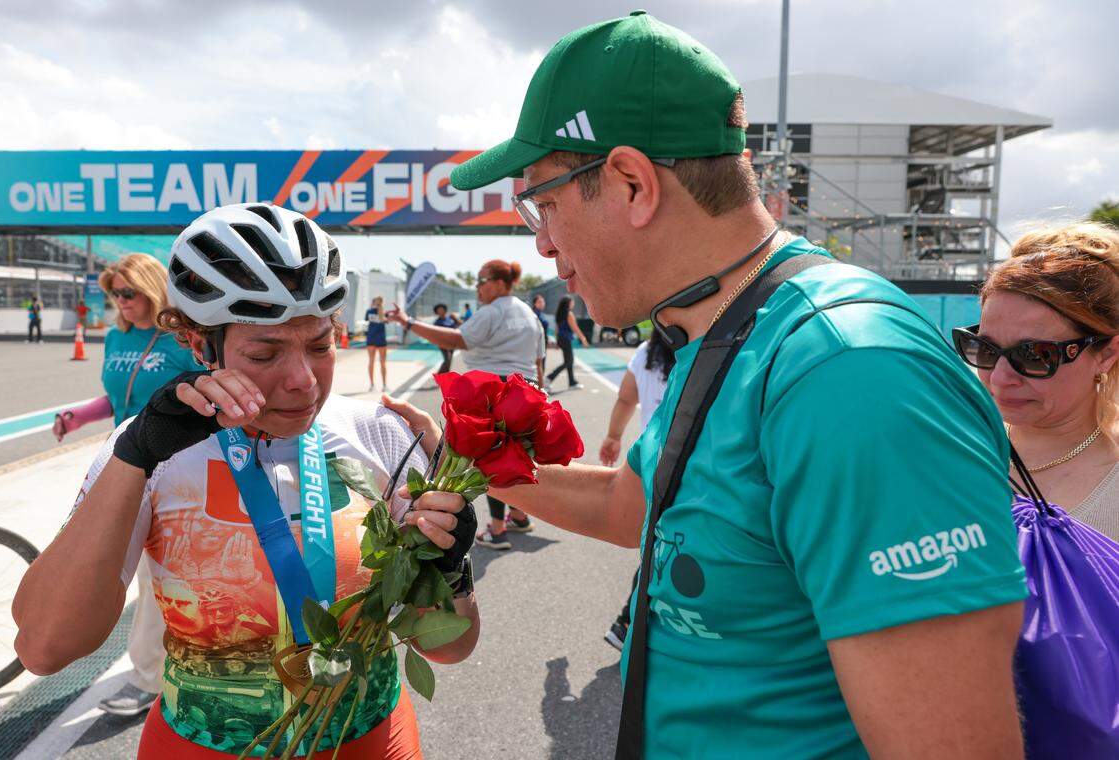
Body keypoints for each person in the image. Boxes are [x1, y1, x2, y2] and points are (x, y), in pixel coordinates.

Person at [431, 11, 1025, 757]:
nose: (540, 240)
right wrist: (461, 454)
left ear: (631, 182)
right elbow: (634, 508)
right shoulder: (724, 327)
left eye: (542, 202)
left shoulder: (849, 373)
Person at [13, 203, 479, 759]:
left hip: (374, 740)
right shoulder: (148, 448)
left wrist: (453, 570)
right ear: (197, 344)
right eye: (264, 352)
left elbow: (453, 648)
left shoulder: (379, 432)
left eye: (320, 345)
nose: (303, 382)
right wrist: (133, 458)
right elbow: (44, 647)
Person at [53, 253, 205, 717]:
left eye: (128, 292)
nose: (120, 302)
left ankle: (149, 679)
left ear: (151, 288)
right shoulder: (118, 336)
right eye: (113, 294)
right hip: (122, 462)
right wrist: (77, 416)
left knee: (153, 576)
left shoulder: (180, 342)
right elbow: (120, 396)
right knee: (104, 564)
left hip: (174, 467)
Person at [955, 222, 1119, 541]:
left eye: (1034, 355)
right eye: (985, 348)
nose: (1001, 377)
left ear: (1106, 354)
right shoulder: (952, 451)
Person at [385, 260, 545, 551]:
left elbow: (458, 339)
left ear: (498, 283)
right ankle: (519, 516)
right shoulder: (529, 313)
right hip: (527, 394)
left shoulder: (493, 311)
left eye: (481, 281)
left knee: (490, 463)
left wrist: (407, 323)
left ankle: (497, 530)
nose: (478, 288)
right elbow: (539, 359)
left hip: (495, 390)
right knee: (514, 460)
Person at [599, 333, 675, 651]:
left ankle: (629, 622)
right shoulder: (705, 345)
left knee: (657, 546)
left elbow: (626, 398)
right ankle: (628, 621)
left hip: (652, 462)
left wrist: (613, 436)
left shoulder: (646, 351)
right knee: (661, 549)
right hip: (693, 466)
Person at [546, 295, 589, 390]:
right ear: (568, 303)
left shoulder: (560, 314)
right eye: (572, 302)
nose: (573, 303)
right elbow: (575, 328)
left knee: (569, 361)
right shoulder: (569, 314)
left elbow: (556, 329)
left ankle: (572, 382)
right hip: (566, 339)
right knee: (568, 361)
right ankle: (549, 377)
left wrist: (557, 341)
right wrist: (583, 338)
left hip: (561, 339)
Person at [365, 296, 389, 392]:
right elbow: (386, 321)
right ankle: (384, 385)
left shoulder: (369, 311)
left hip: (371, 338)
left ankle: (372, 385)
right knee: (382, 362)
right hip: (380, 339)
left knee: (371, 361)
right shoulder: (383, 313)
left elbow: (366, 321)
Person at [432, 303, 459, 374]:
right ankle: (440, 375)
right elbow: (434, 334)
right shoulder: (437, 322)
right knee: (448, 359)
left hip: (452, 343)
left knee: (449, 360)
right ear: (436, 312)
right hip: (443, 344)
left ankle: (446, 375)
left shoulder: (451, 319)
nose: (440, 311)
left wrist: (456, 319)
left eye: (442, 309)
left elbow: (459, 327)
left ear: (445, 310)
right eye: (438, 310)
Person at [531, 294, 550, 385]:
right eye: (539, 302)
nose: (542, 303)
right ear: (534, 304)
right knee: (539, 364)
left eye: (543, 301)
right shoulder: (534, 314)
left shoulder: (541, 313)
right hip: (536, 342)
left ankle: (539, 385)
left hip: (543, 341)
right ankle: (538, 386)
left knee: (541, 364)